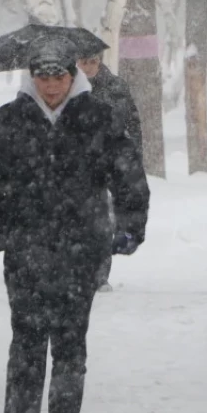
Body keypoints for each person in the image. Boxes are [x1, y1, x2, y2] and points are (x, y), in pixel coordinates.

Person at [0, 37, 149, 413]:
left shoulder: (99, 116)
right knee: (26, 349)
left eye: (59, 76)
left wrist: (131, 222)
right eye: (43, 76)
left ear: (72, 76)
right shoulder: (9, 121)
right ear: (31, 78)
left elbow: (128, 172)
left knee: (69, 352)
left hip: (81, 252)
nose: (51, 85)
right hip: (26, 250)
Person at [76, 52, 143, 293]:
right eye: (83, 62)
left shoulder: (115, 87)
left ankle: (99, 275)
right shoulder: (66, 88)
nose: (88, 67)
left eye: (92, 61)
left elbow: (132, 123)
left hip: (108, 163)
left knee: (103, 220)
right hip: (74, 165)